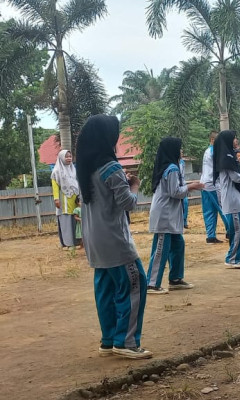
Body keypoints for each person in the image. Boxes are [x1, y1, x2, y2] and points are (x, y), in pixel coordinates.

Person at [76, 114, 152, 360]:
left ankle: (108, 340)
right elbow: (128, 203)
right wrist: (134, 186)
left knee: (106, 289)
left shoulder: (85, 169)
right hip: (115, 240)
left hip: (94, 240)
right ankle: (127, 342)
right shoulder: (111, 167)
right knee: (135, 282)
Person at [147, 137, 204, 294]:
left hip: (170, 215)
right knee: (160, 249)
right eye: (179, 148)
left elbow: (176, 188)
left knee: (178, 245)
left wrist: (189, 186)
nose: (181, 151)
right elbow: (175, 192)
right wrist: (192, 186)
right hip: (164, 215)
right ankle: (152, 283)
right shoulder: (171, 168)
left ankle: (176, 278)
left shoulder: (170, 167)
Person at [213, 130, 240, 269]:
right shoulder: (226, 158)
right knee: (237, 230)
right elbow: (236, 177)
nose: (236, 140)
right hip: (232, 199)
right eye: (233, 138)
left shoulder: (230, 156)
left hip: (237, 198)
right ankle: (231, 258)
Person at [200, 131, 229, 244]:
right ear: (212, 140)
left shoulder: (207, 151)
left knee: (209, 211)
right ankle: (230, 231)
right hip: (213, 185)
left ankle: (210, 236)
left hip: (204, 183)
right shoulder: (214, 151)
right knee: (223, 208)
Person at [51, 149, 79, 250]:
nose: (69, 158)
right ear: (61, 158)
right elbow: (55, 186)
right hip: (64, 201)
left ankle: (76, 242)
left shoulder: (73, 169)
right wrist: (56, 199)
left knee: (76, 219)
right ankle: (67, 243)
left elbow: (76, 184)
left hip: (74, 199)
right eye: (66, 156)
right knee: (66, 221)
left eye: (70, 156)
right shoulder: (56, 171)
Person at [179, 150, 189, 229]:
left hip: (183, 184)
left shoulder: (182, 162)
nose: (182, 154)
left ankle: (184, 221)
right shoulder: (173, 163)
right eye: (181, 153)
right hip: (178, 186)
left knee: (185, 203)